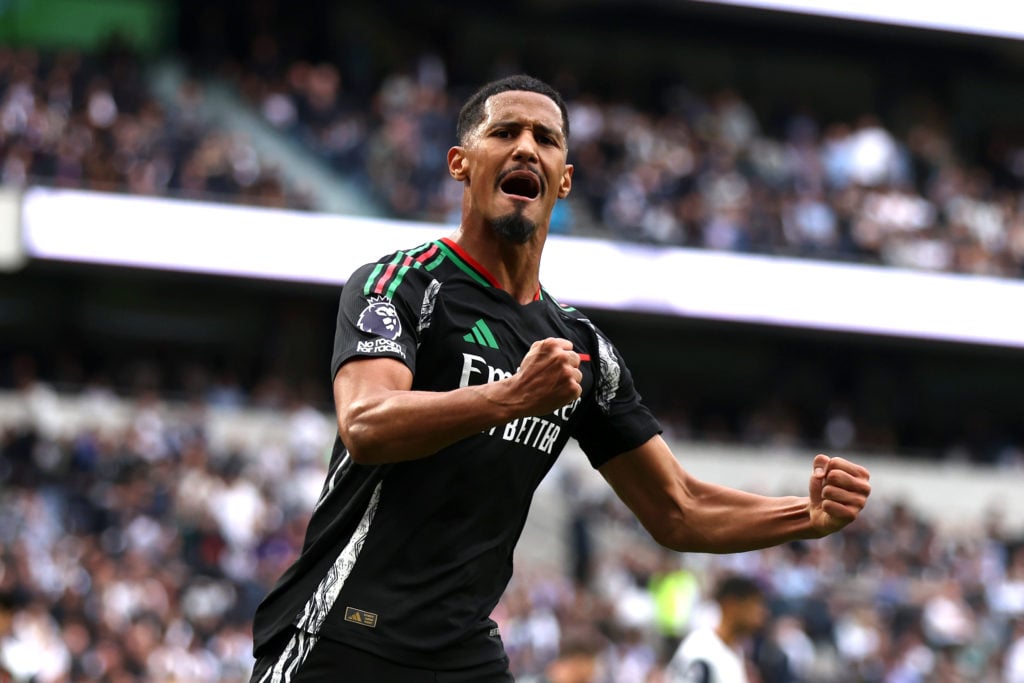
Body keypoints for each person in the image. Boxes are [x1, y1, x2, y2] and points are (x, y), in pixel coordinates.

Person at [248, 74, 872, 683]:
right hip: (340, 630)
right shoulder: (400, 284)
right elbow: (366, 424)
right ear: (461, 163)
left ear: (564, 180)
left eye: (546, 139)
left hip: (459, 647)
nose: (526, 147)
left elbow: (678, 510)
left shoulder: (581, 349)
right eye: (505, 133)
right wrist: (511, 396)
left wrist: (805, 516)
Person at [665, 575, 767, 683]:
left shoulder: (734, 649)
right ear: (731, 604)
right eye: (755, 604)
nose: (761, 613)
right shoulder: (701, 645)